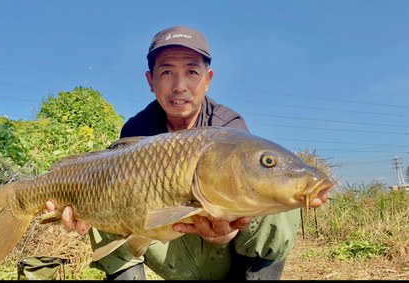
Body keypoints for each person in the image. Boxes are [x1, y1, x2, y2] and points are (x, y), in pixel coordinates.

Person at [46, 26, 329, 280]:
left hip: (225, 256)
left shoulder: (229, 128)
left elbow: (236, 215)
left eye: (192, 72)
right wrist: (82, 209)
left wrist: (226, 231)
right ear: (150, 80)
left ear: (207, 79)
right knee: (107, 193)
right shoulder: (137, 128)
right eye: (167, 72)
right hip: (165, 243)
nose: (179, 86)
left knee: (276, 202)